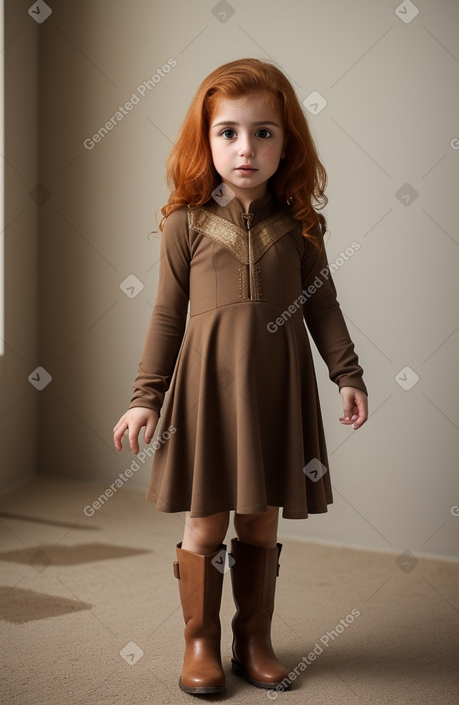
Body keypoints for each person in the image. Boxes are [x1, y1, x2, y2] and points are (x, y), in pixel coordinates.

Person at [113, 58, 368, 695]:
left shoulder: (301, 228)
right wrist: (146, 399)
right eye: (227, 132)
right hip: (205, 395)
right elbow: (168, 316)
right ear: (206, 141)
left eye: (263, 133)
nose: (245, 148)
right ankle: (198, 642)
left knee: (259, 519)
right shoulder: (186, 224)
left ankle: (252, 639)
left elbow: (324, 306)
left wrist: (348, 374)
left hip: (276, 393)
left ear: (288, 142)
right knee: (205, 522)